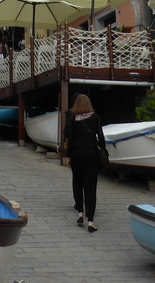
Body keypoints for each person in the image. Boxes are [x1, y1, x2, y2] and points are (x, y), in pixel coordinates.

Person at [63, 93, 106, 233]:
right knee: (90, 187)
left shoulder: (73, 119)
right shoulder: (95, 118)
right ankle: (91, 221)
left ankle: (80, 213)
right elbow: (100, 136)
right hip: (91, 154)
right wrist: (103, 151)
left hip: (77, 154)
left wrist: (69, 156)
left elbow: (70, 138)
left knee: (77, 183)